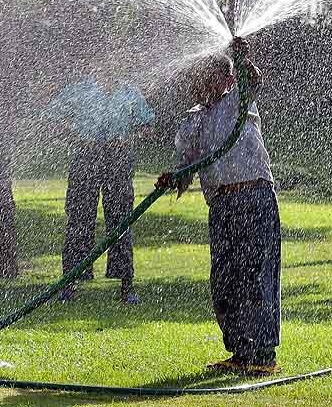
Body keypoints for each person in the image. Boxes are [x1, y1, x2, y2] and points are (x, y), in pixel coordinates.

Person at [156, 38, 280, 376]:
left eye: (206, 77)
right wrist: (174, 179)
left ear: (224, 81)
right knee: (226, 278)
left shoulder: (238, 100)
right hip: (222, 203)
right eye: (197, 78)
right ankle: (240, 351)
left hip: (254, 196)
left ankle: (264, 355)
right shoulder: (193, 121)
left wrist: (242, 60)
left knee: (255, 274)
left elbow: (254, 81)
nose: (199, 84)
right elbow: (187, 165)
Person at [51, 73, 154, 304]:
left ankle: (126, 287)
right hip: (86, 158)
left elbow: (148, 126)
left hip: (118, 160)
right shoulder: (79, 90)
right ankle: (69, 285)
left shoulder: (129, 92)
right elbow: (53, 119)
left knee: (121, 222)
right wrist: (75, 139)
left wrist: (128, 139)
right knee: (79, 221)